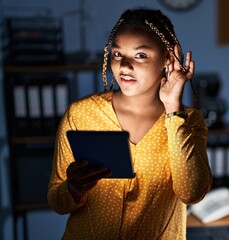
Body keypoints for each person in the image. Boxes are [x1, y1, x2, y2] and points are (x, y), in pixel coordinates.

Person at [47, 7, 213, 240]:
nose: (124, 66)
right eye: (117, 54)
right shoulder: (81, 114)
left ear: (167, 58)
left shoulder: (187, 121)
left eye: (140, 55)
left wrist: (173, 108)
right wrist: (73, 189)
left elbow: (192, 193)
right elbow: (57, 201)